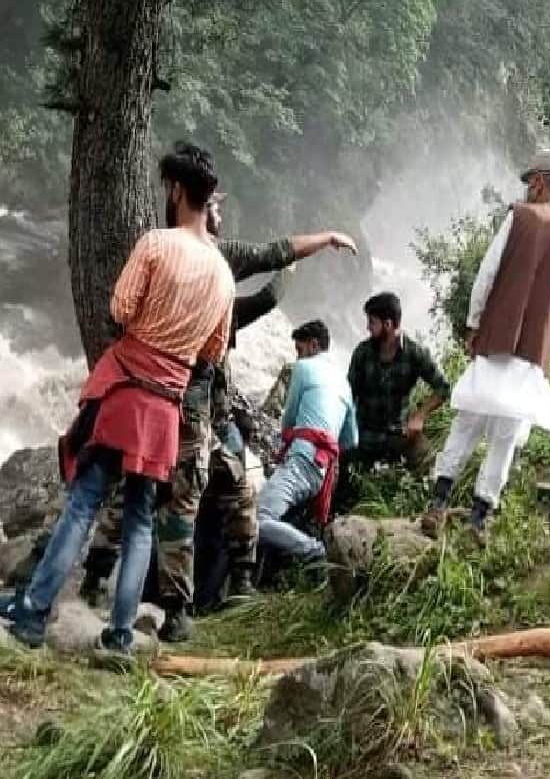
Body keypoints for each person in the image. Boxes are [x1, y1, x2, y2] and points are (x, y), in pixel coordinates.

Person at [74, 192, 359, 638]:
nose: (223, 215)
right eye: (218, 208)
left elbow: (263, 282)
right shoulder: (215, 265)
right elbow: (269, 278)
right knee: (179, 503)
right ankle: (178, 603)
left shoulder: (168, 257)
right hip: (188, 411)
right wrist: (303, 260)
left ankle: (110, 581)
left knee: (158, 496)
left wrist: (304, 255)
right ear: (201, 208)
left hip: (180, 405)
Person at [3, 142, 236, 655]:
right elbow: (214, 349)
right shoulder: (222, 273)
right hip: (167, 409)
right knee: (139, 518)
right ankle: (119, 637)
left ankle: (34, 615)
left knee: (85, 501)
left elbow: (120, 307)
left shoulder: (155, 244)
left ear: (175, 190)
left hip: (127, 393)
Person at [424, 149, 550, 540]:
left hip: (496, 341)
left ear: (542, 182)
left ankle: (438, 504)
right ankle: (479, 517)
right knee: (506, 438)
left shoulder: (518, 216)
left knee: (467, 422)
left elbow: (487, 274)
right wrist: (547, 343)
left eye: (531, 181)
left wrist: (475, 323)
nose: (527, 187)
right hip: (531, 356)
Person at [257, 320, 358, 563]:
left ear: (313, 345)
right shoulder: (344, 384)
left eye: (299, 350)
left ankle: (318, 553)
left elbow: (288, 421)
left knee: (257, 519)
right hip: (323, 472)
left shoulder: (304, 368)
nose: (298, 356)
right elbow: (351, 439)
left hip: (302, 459)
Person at [342, 292, 450, 502]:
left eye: (372, 322)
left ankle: (428, 507)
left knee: (429, 463)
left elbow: (443, 388)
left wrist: (419, 416)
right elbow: (347, 396)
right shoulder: (362, 353)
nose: (367, 327)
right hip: (363, 436)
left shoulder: (414, 353)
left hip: (397, 435)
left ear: (388, 324)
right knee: (345, 488)